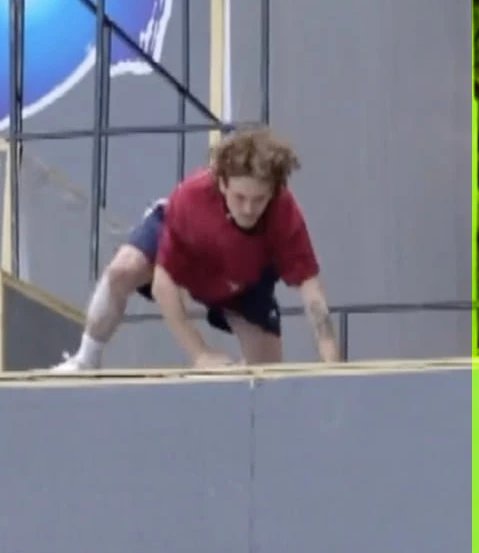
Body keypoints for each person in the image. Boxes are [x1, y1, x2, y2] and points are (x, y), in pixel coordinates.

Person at [52, 126, 340, 371]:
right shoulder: (191, 197)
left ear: (274, 192)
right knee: (123, 269)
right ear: (222, 183)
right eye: (240, 197)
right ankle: (86, 359)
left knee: (267, 372)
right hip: (188, 254)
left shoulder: (285, 213)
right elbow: (163, 283)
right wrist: (200, 353)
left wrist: (331, 364)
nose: (249, 209)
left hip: (242, 279)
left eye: (259, 199)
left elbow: (312, 294)